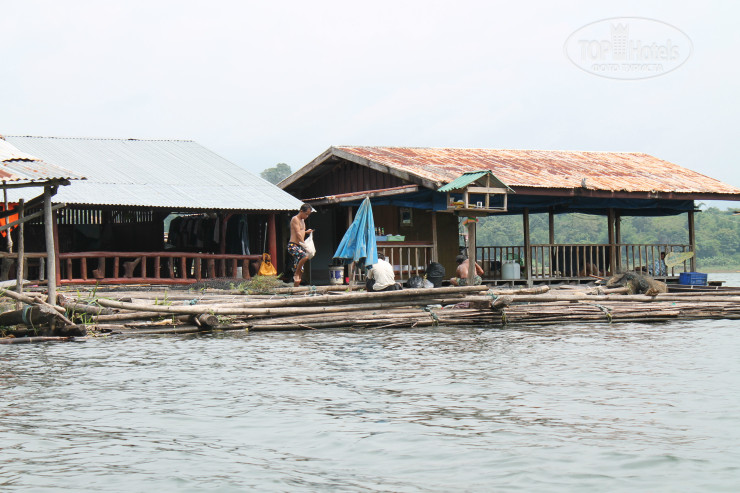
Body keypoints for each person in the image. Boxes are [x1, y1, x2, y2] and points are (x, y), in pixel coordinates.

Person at [288, 204, 314, 287]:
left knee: (301, 270)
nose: (307, 216)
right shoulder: (295, 219)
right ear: (301, 211)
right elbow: (298, 233)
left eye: (308, 215)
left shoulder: (302, 220)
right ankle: (295, 274)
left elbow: (301, 231)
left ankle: (296, 287)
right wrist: (304, 245)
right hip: (293, 245)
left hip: (300, 246)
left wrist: (306, 232)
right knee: (304, 256)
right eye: (306, 214)